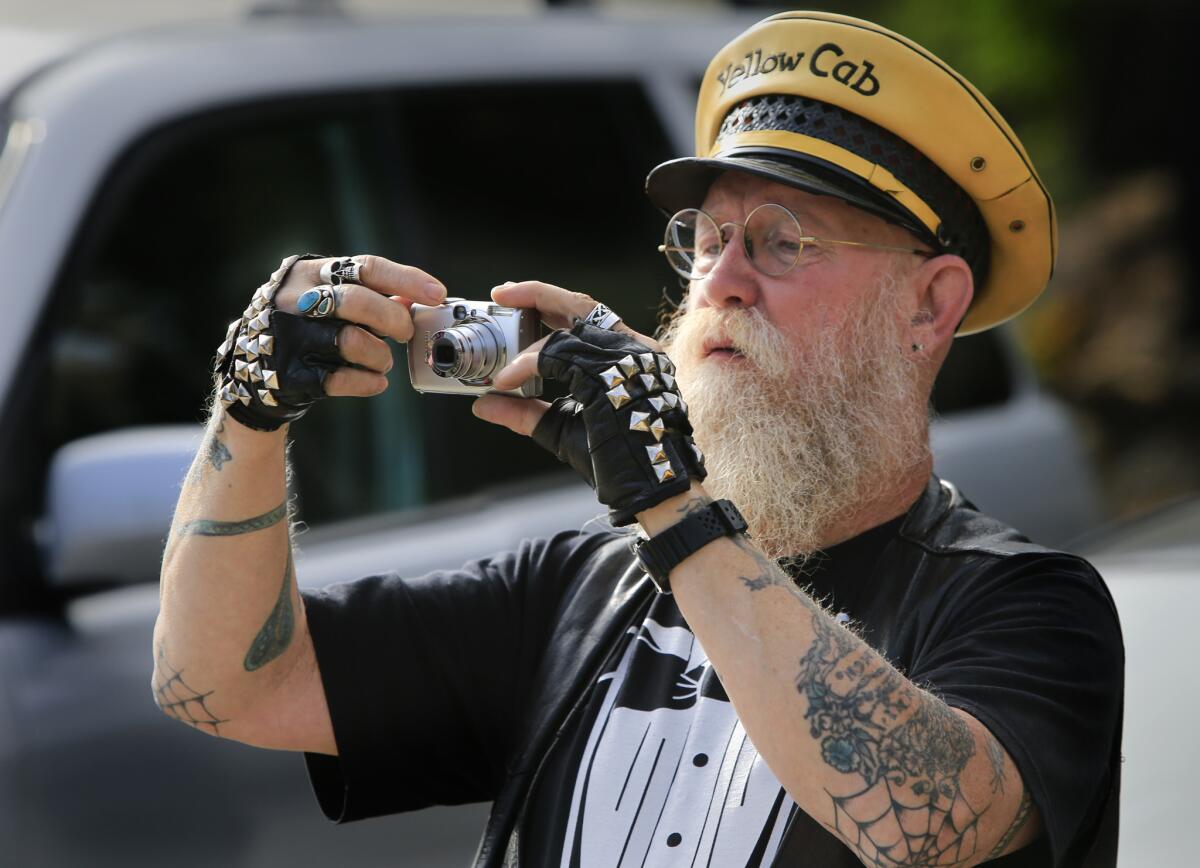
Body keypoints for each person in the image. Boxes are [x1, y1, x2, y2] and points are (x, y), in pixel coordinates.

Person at [154, 11, 1123, 868]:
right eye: (707, 238)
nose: (724, 282)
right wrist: (249, 408)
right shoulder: (578, 589)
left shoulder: (1027, 606)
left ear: (930, 304)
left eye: (782, 240)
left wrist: (674, 505)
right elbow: (219, 683)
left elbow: (926, 827)